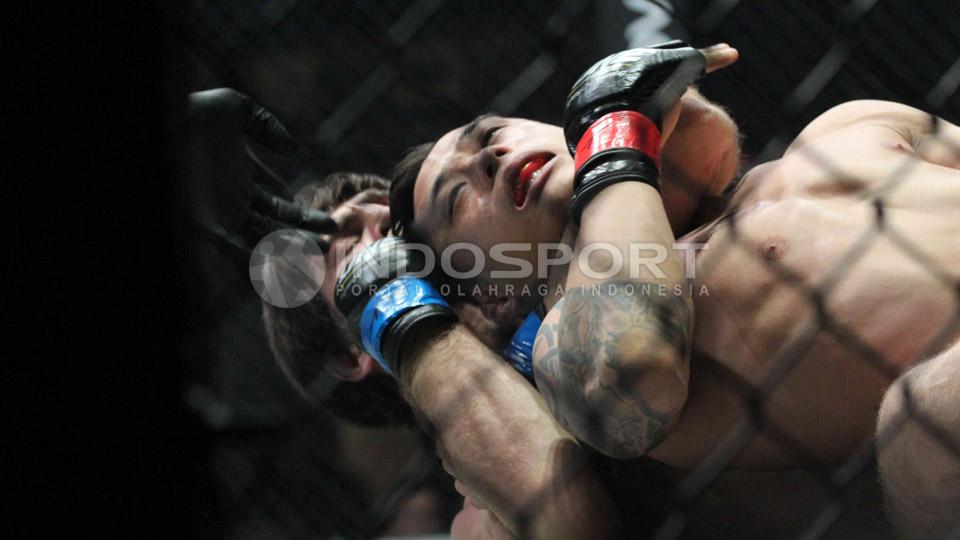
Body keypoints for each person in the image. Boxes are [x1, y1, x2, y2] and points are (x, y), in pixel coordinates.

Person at [383, 40, 960, 539]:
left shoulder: (846, 127)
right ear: (491, 292)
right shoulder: (571, 340)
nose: (486, 157)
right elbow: (629, 371)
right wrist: (617, 139)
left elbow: (707, 147)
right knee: (926, 410)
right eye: (457, 199)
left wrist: (637, 120)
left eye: (491, 134)